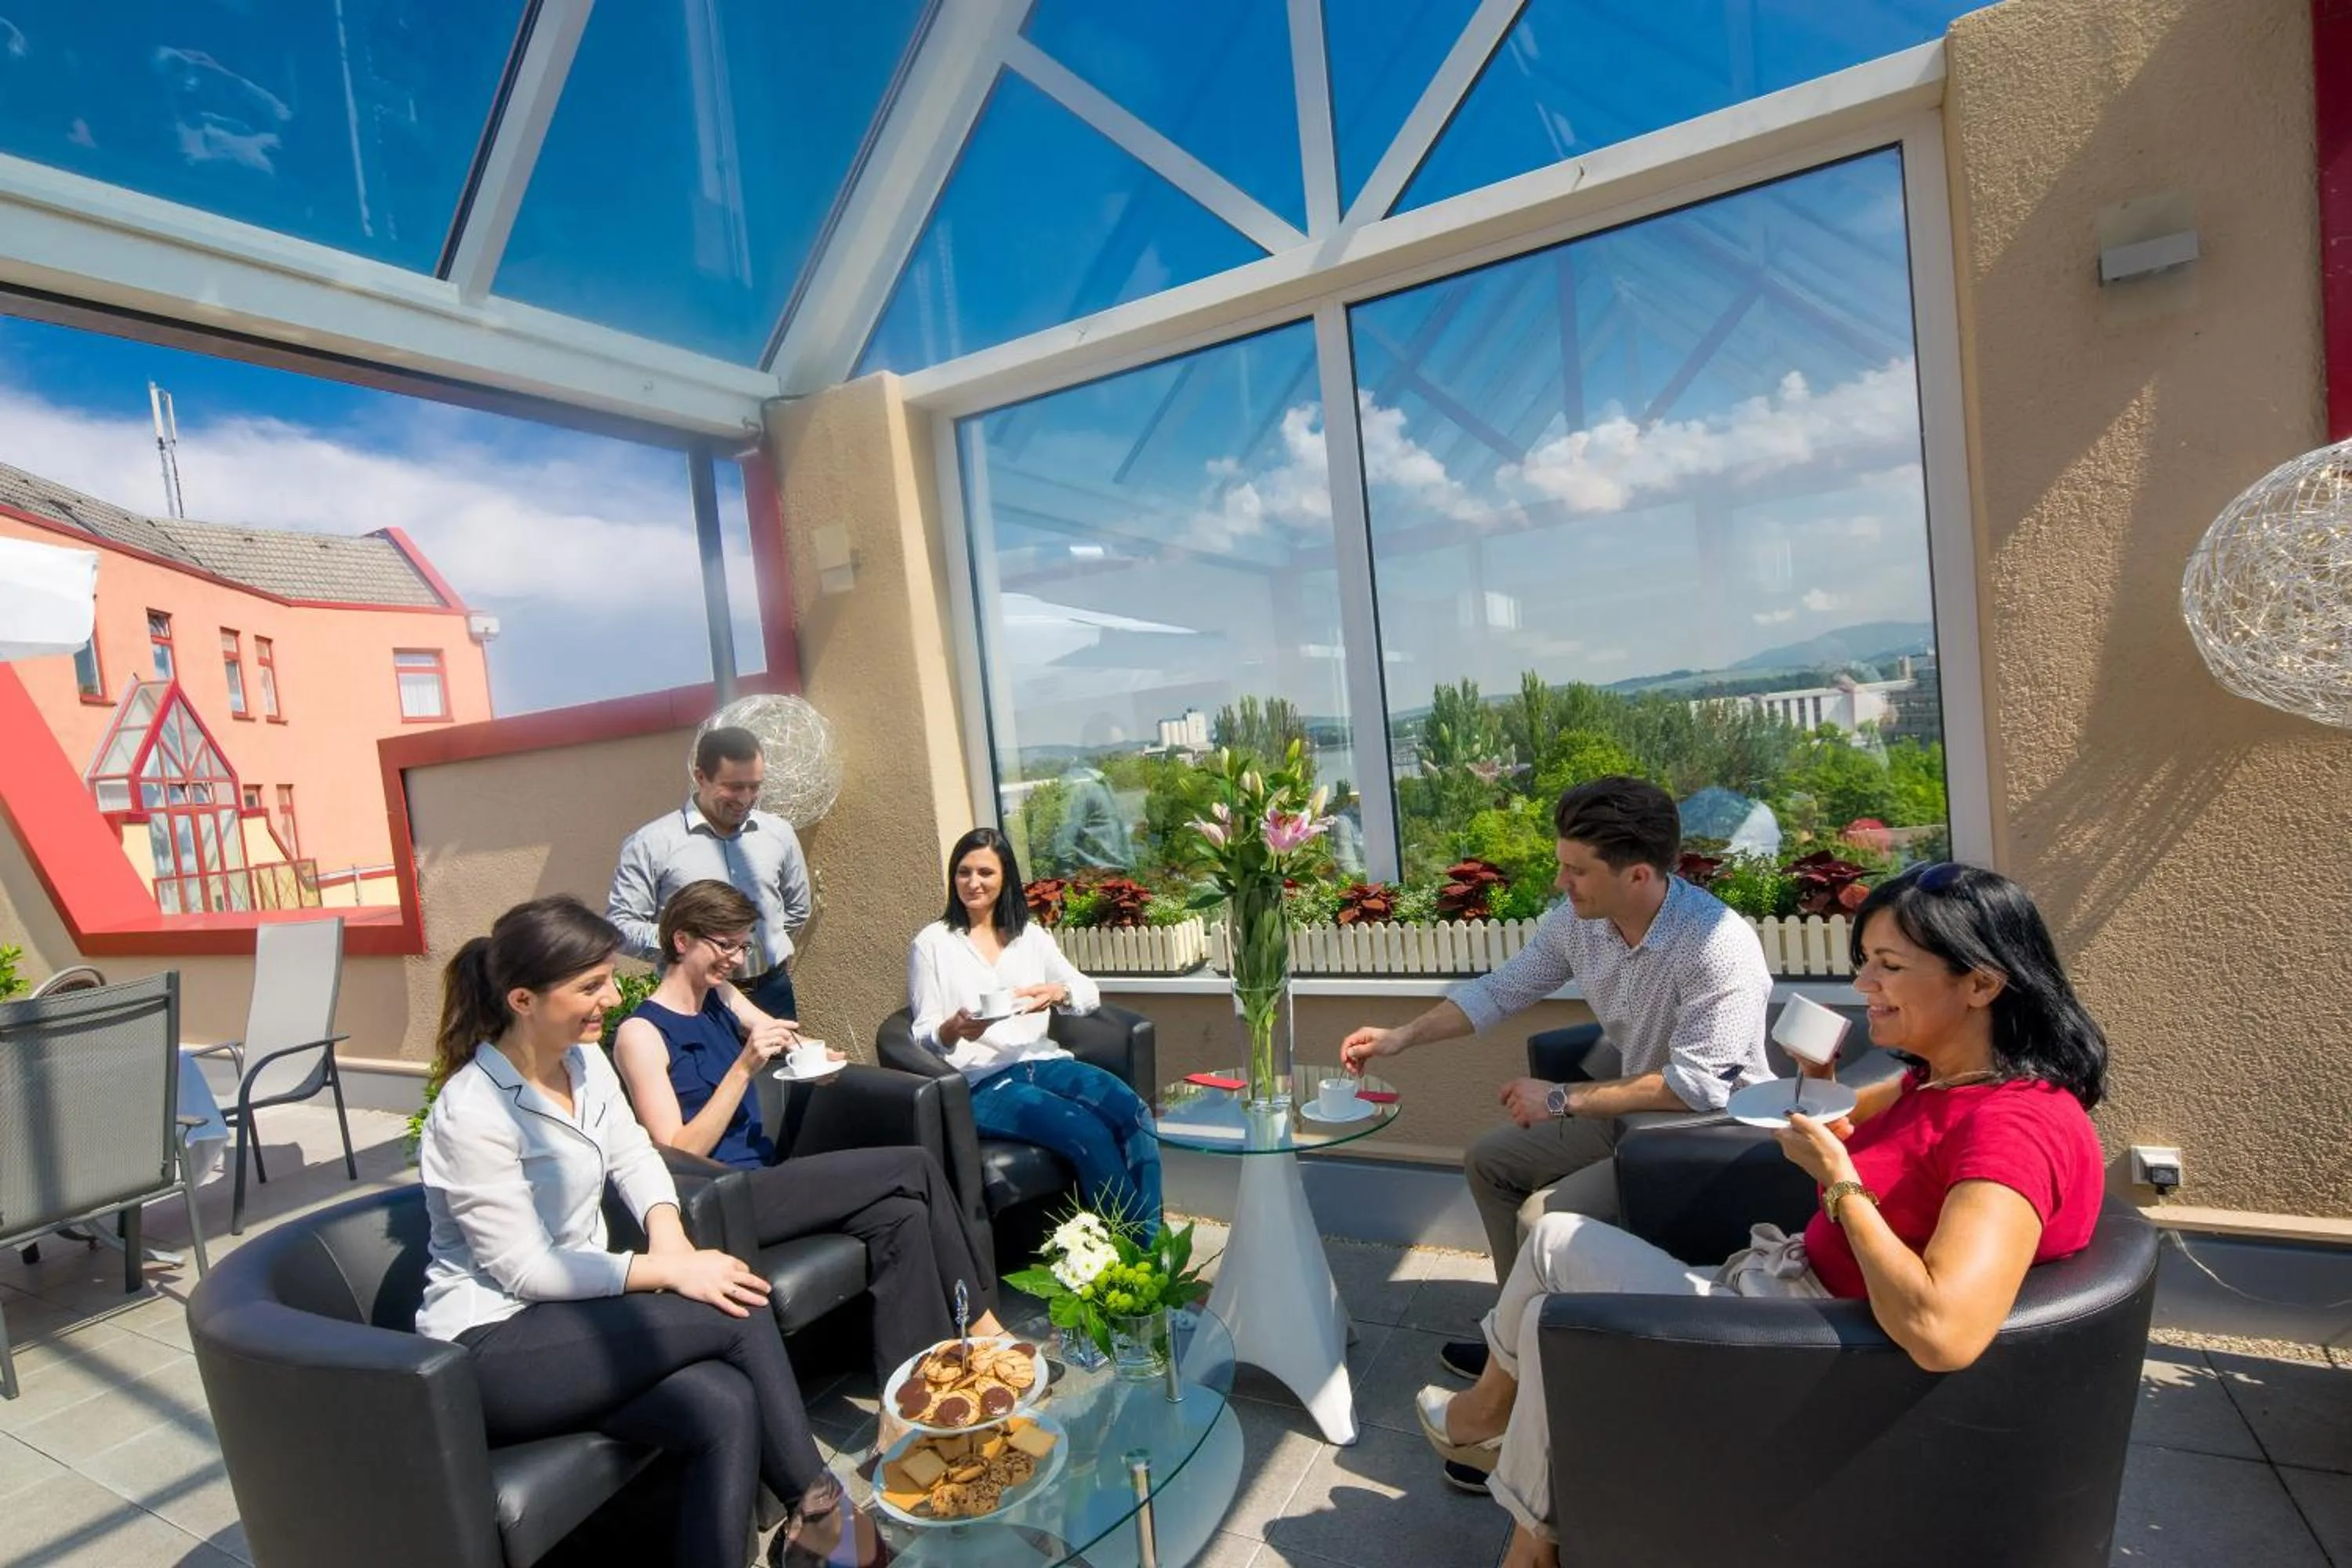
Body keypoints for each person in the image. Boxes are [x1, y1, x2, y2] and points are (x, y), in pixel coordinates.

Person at [1415, 863, 2110, 1567]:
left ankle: (1495, 1458)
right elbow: (1846, 1125)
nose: (1864, 985)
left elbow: (1943, 1332)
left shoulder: (2011, 1129)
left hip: (1800, 1348)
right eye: (1864, 962)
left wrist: (1840, 1184)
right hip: (1790, 1296)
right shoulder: (1935, 1080)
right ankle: (1526, 1524)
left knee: (1552, 1269)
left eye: (1889, 967)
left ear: (1983, 983)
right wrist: (1824, 1093)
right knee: (1552, 1260)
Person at [413, 896, 840, 1568]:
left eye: (609, 977)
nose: (611, 998)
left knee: (722, 1405)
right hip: (493, 1342)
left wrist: (668, 1236)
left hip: (576, 1314)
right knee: (737, 1306)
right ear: (522, 999)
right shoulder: (471, 1111)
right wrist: (670, 1272)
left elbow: (635, 1155)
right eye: (589, 986)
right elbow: (526, 1270)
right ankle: (821, 1516)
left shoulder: (582, 1063)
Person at [1340, 775, 1773, 1380]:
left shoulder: (1717, 947)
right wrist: (1400, 1037)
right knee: (1489, 1159)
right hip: (1628, 1113)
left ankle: (1536, 1368)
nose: (1559, 882)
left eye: (1576, 870)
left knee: (1540, 1218)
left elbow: (1700, 1087)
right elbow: (1501, 989)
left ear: (1638, 876)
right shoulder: (1581, 923)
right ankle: (1515, 1336)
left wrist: (1562, 1099)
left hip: (1702, 1139)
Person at [612, 878, 1009, 1380]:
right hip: (723, 1200)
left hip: (767, 1177)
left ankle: (915, 1393)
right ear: (681, 940)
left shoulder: (723, 997)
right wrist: (743, 1068)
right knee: (915, 1163)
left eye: (743, 945)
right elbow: (676, 1152)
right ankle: (986, 1326)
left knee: (901, 1214)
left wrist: (811, 1059)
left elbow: (787, 1040)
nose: (736, 959)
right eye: (725, 945)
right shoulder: (640, 1034)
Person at [909, 827, 1162, 1226]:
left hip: (1043, 1062)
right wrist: (954, 1029)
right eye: (963, 872)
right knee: (1087, 1133)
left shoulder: (1031, 937)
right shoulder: (933, 943)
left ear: (1005, 877)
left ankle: (1149, 1248)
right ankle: (1139, 1258)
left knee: (1135, 1113)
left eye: (985, 873)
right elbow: (922, 1033)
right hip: (981, 1082)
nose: (973, 883)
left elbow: (1087, 992)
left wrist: (1057, 994)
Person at [610, 726, 811, 1022]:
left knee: (783, 1069)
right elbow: (620, 926)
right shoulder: (650, 844)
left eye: (754, 786)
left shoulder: (778, 833)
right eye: (733, 786)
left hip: (772, 991)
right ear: (700, 776)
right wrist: (689, 946)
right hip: (694, 999)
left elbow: (797, 908)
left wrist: (761, 947)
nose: (745, 799)